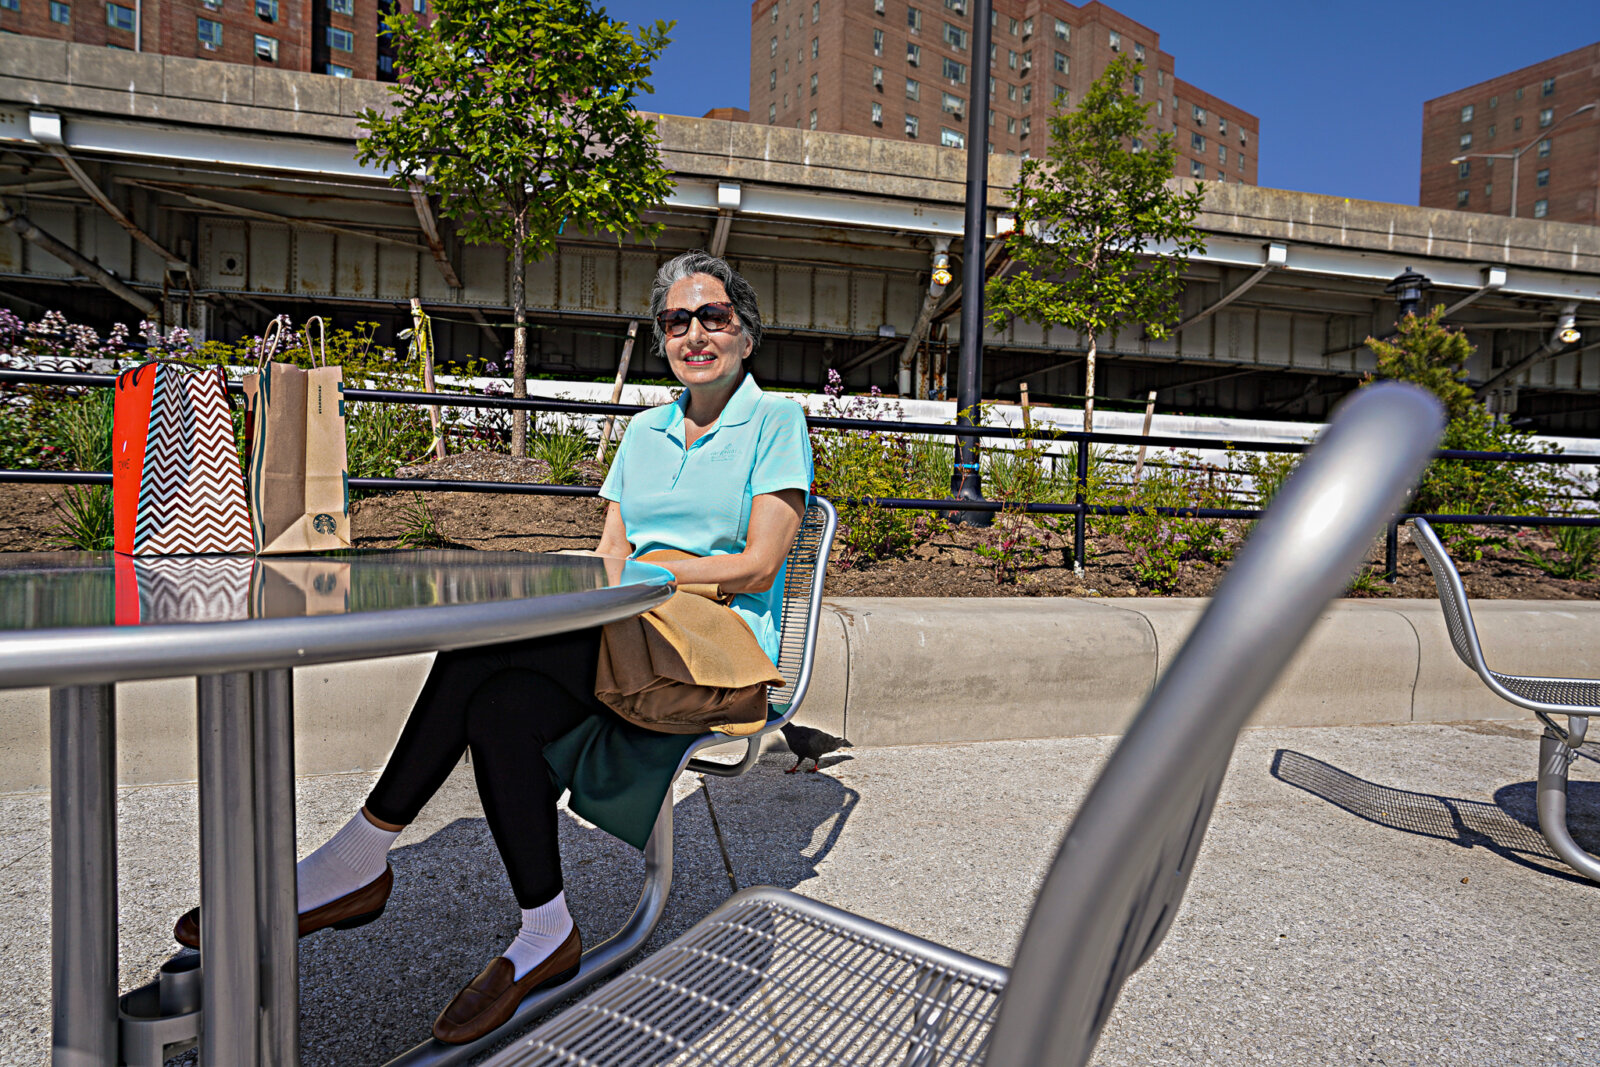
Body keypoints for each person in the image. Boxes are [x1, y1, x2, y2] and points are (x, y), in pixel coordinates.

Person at [171, 250, 814, 1045]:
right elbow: (609, 552)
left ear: (746, 334)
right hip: (626, 635)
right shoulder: (645, 431)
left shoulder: (776, 419)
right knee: (500, 705)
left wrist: (655, 572)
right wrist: (630, 579)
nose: (694, 333)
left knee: (477, 653)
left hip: (714, 655)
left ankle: (358, 860)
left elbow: (755, 562)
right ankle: (546, 930)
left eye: (713, 316)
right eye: (676, 320)